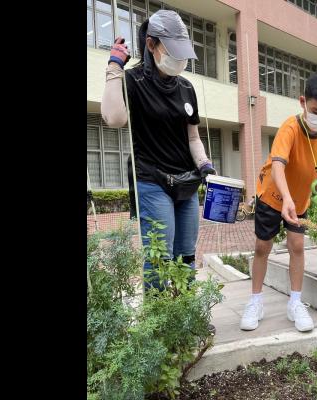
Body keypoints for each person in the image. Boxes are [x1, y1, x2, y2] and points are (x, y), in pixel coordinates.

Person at [101, 10, 216, 291]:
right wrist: (114, 68)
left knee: (186, 256)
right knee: (159, 257)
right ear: (151, 45)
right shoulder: (134, 81)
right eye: (173, 51)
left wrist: (204, 164)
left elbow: (193, 137)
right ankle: (158, 313)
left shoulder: (186, 88)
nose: (179, 59)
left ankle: (185, 310)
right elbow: (114, 119)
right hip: (152, 180)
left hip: (186, 182)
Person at [240, 73, 317, 332]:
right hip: (273, 196)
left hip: (299, 199)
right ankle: (255, 302)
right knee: (262, 247)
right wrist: (286, 197)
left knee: (297, 246)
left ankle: (295, 303)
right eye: (316, 111)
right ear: (303, 102)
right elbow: (278, 165)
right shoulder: (290, 128)